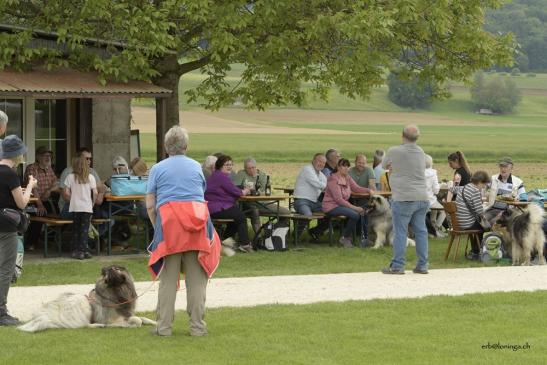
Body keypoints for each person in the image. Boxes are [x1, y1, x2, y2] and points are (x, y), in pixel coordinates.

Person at [146, 126, 220, 337]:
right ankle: (197, 327)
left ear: (166, 147)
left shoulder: (157, 169)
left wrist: (156, 227)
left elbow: (151, 205)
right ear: (186, 146)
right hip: (196, 226)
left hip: (169, 227)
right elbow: (199, 195)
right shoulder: (196, 167)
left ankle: (164, 328)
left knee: (168, 280)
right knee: (197, 280)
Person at [381, 125, 429, 275]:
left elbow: (383, 165)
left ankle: (398, 265)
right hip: (422, 196)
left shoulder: (394, 151)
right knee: (421, 231)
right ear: (417, 138)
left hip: (403, 197)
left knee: (401, 232)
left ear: (402, 135)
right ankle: (422, 265)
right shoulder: (421, 151)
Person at [0, 135, 37, 326]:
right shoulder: (10, 174)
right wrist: (30, 186)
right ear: (16, 154)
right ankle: (1, 311)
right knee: (6, 269)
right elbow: (21, 203)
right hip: (6, 228)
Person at [206, 155, 253, 252]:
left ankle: (224, 243)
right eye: (226, 164)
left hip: (214, 207)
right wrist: (245, 191)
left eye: (231, 164)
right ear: (220, 165)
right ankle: (245, 244)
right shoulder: (221, 176)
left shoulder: (217, 175)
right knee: (241, 217)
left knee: (236, 218)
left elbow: (229, 189)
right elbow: (236, 192)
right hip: (216, 208)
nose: (229, 167)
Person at [231, 157, 290, 232]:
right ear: (245, 168)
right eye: (249, 168)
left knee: (286, 212)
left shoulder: (262, 175)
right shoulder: (241, 174)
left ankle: (274, 232)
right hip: (246, 203)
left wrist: (254, 192)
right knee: (254, 211)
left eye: (253, 167)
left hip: (263, 203)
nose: (251, 170)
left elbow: (265, 192)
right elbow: (234, 189)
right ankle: (258, 237)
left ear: (256, 166)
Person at [322, 158, 370, 248]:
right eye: (344, 166)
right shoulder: (333, 179)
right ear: (339, 167)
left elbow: (356, 188)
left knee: (363, 211)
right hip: (331, 207)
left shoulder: (347, 177)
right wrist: (355, 208)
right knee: (355, 214)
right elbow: (339, 200)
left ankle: (364, 238)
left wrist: (369, 190)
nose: (346, 168)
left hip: (341, 206)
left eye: (348, 166)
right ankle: (345, 237)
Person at [23, 146, 60, 250]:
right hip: (32, 202)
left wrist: (49, 190)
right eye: (45, 156)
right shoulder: (32, 168)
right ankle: (31, 243)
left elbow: (57, 184)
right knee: (40, 213)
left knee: (63, 215)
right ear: (38, 157)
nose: (48, 158)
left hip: (47, 201)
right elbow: (33, 188)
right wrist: (39, 204)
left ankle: (49, 239)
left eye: (49, 156)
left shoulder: (49, 169)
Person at [450, 171, 491, 260]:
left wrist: (448, 201)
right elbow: (480, 212)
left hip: (458, 223)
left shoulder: (464, 187)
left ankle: (474, 251)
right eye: (484, 185)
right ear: (480, 182)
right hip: (467, 224)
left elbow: (451, 189)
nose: (484, 187)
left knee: (478, 225)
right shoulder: (475, 191)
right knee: (485, 226)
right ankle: (477, 252)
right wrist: (486, 208)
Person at [63, 156, 98, 260]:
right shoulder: (91, 177)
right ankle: (83, 250)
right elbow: (95, 192)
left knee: (76, 229)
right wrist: (92, 203)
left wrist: (72, 199)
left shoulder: (70, 177)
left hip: (75, 207)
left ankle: (75, 250)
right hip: (87, 207)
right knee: (84, 230)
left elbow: (66, 192)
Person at [58, 148, 105, 218]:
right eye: (87, 159)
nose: (89, 161)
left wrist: (100, 194)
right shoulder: (68, 172)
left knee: (103, 214)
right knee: (99, 214)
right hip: (69, 207)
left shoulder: (92, 172)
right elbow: (65, 196)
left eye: (90, 159)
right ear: (79, 159)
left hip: (86, 207)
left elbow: (100, 192)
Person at [293, 153, 329, 240]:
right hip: (301, 200)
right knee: (307, 215)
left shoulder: (322, 175)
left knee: (333, 212)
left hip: (314, 202)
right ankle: (296, 236)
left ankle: (315, 231)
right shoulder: (307, 169)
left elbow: (326, 186)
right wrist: (328, 187)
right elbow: (317, 183)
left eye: (323, 163)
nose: (321, 164)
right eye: (319, 161)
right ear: (313, 161)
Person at [484, 156, 526, 224]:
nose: (503, 169)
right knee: (482, 220)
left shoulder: (518, 182)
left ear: (511, 168)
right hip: (492, 209)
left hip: (508, 212)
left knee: (494, 222)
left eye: (505, 166)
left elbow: (524, 198)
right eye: (501, 166)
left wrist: (516, 200)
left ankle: (493, 230)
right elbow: (482, 188)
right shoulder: (493, 179)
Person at [424, 155, 446, 237]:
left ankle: (431, 230)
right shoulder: (433, 174)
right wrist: (440, 185)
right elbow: (436, 190)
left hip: (420, 200)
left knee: (434, 209)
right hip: (430, 200)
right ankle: (435, 229)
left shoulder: (418, 173)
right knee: (444, 210)